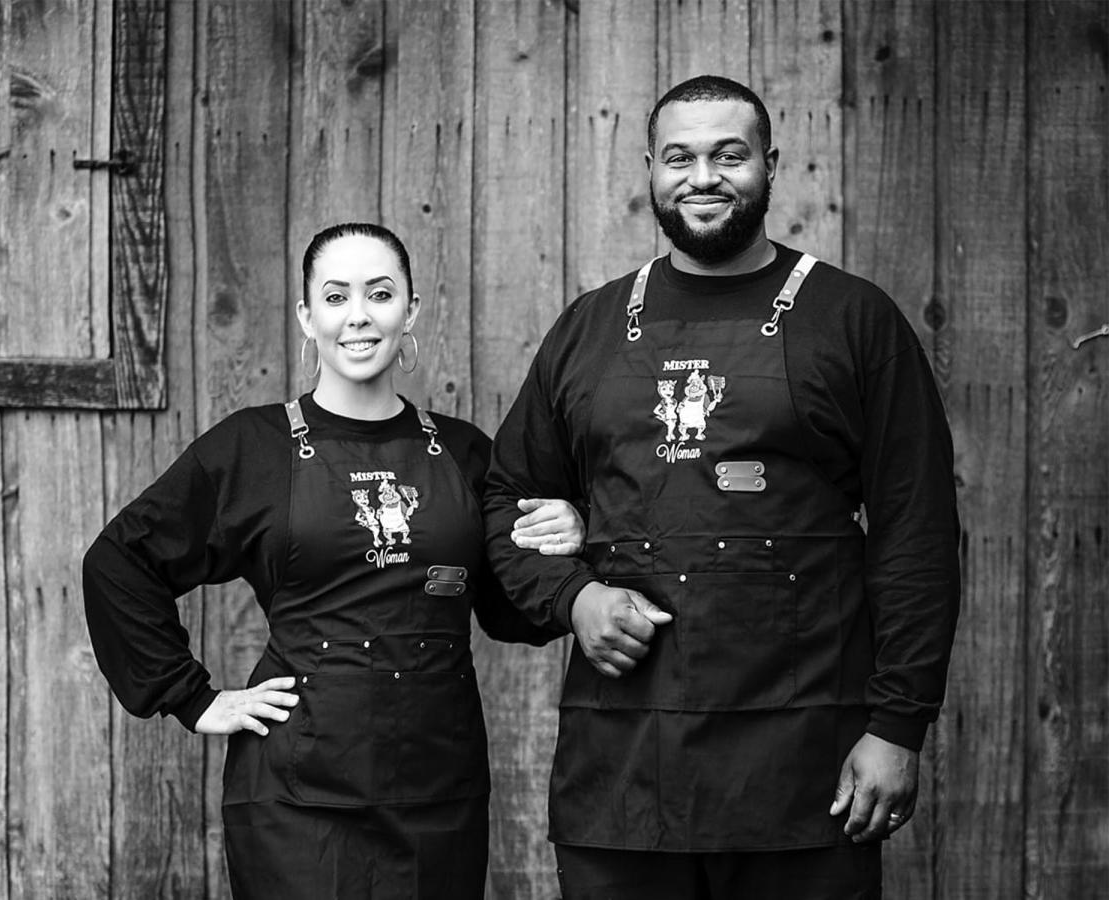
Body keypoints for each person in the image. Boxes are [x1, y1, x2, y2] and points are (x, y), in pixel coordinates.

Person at [484, 75, 960, 898]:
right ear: (650, 170)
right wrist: (575, 601)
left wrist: (897, 725)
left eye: (728, 155)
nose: (703, 177)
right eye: (680, 157)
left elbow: (917, 534)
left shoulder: (854, 320)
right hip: (624, 773)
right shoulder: (589, 327)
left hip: (808, 768)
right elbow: (504, 502)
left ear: (770, 166)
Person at [83, 222, 586, 900]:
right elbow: (120, 561)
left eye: (380, 294)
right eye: (336, 295)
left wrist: (566, 537)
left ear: (410, 309)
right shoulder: (253, 448)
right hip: (296, 796)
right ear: (307, 316)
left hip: (437, 793)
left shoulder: (466, 454)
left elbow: (510, 606)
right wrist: (194, 698)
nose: (358, 316)